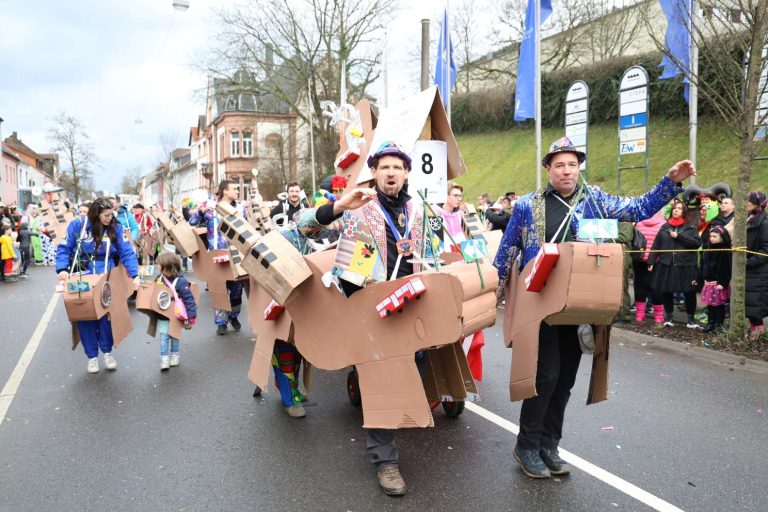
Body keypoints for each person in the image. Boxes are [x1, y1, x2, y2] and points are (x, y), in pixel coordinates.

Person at [493, 136, 694, 479]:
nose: (567, 171)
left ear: (579, 167)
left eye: (572, 164)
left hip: (582, 303)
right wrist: (493, 294)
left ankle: (549, 444)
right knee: (546, 375)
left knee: (566, 378)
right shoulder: (528, 205)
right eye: (559, 165)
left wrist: (671, 182)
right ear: (548, 168)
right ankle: (526, 445)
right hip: (540, 301)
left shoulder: (596, 200)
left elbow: (638, 209)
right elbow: (508, 249)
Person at [299, 141, 425, 496]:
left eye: (397, 167)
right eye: (384, 167)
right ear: (374, 172)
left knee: (414, 365)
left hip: (413, 305)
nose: (391, 173)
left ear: (405, 173)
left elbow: (429, 255)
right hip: (370, 304)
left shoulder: (418, 211)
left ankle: (364, 388)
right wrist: (338, 206)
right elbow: (304, 229)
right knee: (381, 377)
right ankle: (385, 461)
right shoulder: (360, 209)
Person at [55, 198, 141, 373]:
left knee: (106, 316)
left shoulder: (115, 228)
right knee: (85, 315)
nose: (110, 218)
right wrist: (62, 269)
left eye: (112, 214)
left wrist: (135, 275)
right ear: (96, 214)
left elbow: (126, 251)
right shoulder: (78, 225)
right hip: (83, 275)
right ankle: (92, 357)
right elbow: (64, 247)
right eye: (106, 215)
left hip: (106, 275)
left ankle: (107, 352)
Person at [189, 180, 245, 335]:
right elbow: (192, 222)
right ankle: (221, 322)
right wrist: (201, 211)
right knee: (218, 289)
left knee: (236, 290)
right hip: (216, 255)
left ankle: (233, 316)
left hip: (235, 254)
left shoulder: (240, 208)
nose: (238, 191)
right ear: (225, 191)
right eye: (234, 189)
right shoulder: (212, 208)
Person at [648, 200, 702, 329]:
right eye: (674, 208)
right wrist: (651, 261)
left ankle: (690, 320)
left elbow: (696, 243)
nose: (676, 210)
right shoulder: (665, 227)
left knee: (689, 292)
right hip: (667, 263)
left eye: (679, 208)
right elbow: (656, 245)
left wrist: (678, 236)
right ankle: (669, 318)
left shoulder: (690, 227)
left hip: (686, 265)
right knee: (666, 291)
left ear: (684, 212)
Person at [151, 251, 197, 370]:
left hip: (176, 316)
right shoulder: (159, 279)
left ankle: (175, 355)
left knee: (175, 337)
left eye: (159, 265)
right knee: (163, 337)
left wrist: (191, 317)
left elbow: (189, 299)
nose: (158, 267)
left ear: (167, 266)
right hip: (162, 315)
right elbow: (152, 293)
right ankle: (164, 358)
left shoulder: (181, 281)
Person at [633, 209, 666, 323]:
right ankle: (659, 317)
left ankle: (639, 315)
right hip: (656, 261)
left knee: (639, 287)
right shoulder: (663, 224)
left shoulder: (639, 223)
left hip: (639, 259)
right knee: (656, 288)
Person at [700, 225, 731, 333]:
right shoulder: (708, 249)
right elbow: (703, 265)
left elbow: (726, 268)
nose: (712, 238)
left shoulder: (725, 251)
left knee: (719, 306)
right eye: (711, 236)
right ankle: (710, 323)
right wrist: (699, 278)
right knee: (710, 305)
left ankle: (718, 325)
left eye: (715, 236)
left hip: (717, 283)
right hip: (708, 283)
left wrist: (722, 282)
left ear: (722, 237)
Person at [745, 191, 768, 335]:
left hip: (759, 269)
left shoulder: (764, 222)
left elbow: (765, 250)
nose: (746, 204)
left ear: (756, 204)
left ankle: (758, 330)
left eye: (749, 201)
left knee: (756, 301)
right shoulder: (748, 219)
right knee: (749, 301)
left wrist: (749, 262)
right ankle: (753, 327)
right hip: (748, 267)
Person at [433, 182, 466, 249]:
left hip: (461, 255)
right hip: (443, 256)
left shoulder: (460, 214)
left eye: (460, 196)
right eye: (456, 195)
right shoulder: (436, 214)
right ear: (446, 196)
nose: (459, 199)